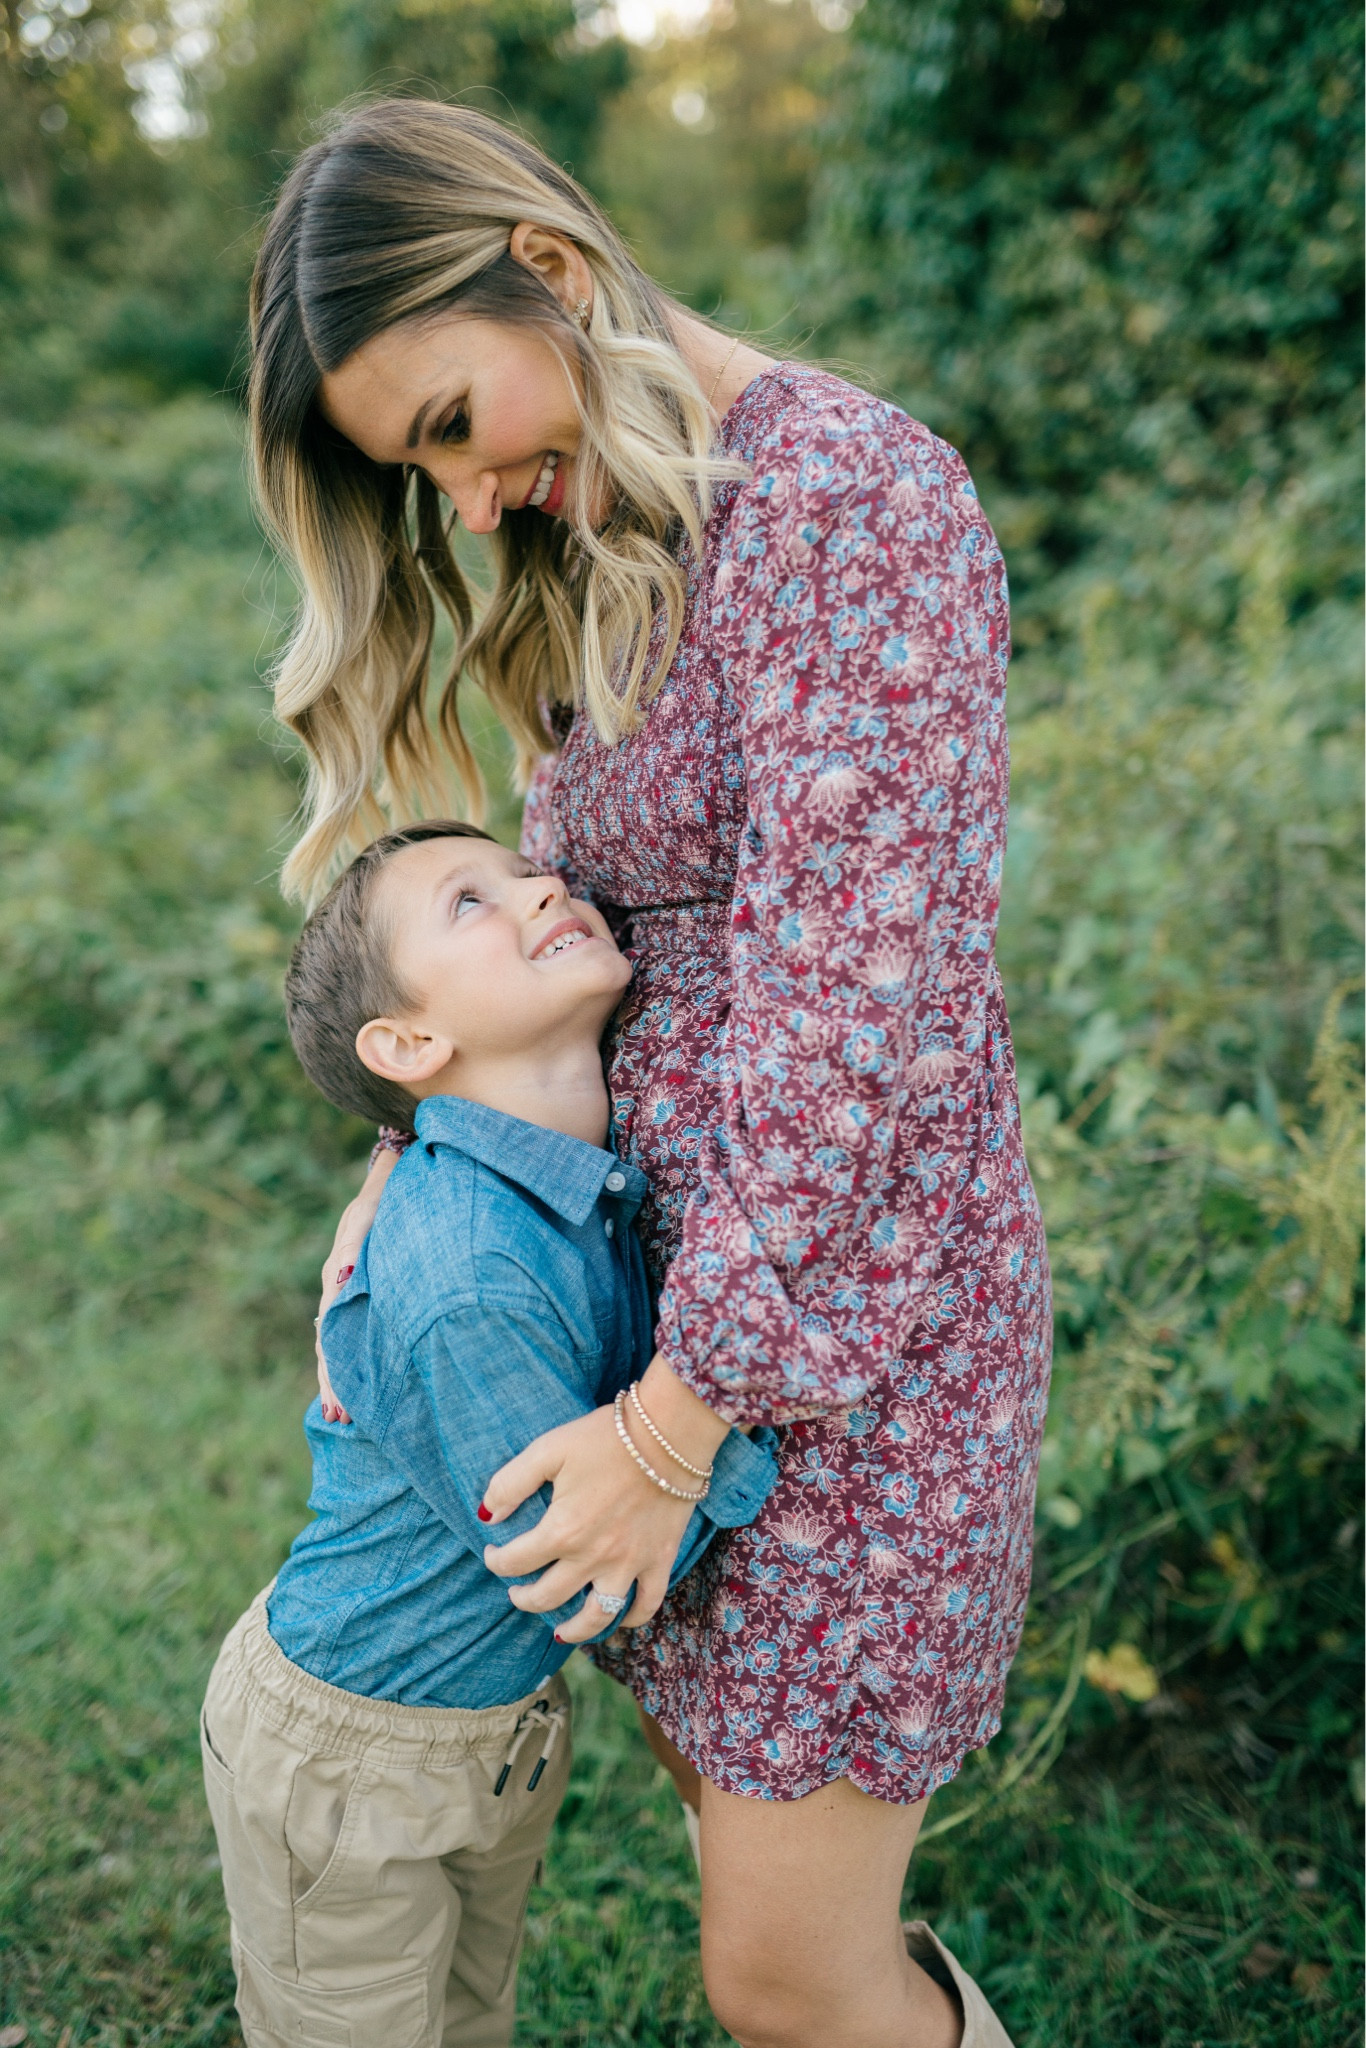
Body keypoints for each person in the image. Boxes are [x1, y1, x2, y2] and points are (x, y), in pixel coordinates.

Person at [250, 96, 1049, 2048]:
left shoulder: (846, 506)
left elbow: (856, 1038)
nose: (461, 498)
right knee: (738, 1838)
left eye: (447, 425)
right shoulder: (607, 535)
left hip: (836, 1353)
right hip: (659, 1328)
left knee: (778, 1973)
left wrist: (674, 1429)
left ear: (545, 264)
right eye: (412, 470)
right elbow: (565, 917)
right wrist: (415, 1178)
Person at [199, 818, 778, 2048]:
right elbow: (576, 1569)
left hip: (482, 1733)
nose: (538, 887)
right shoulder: (470, 1272)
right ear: (409, 1042)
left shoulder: (563, 1179)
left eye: (524, 870)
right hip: (353, 1747)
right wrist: (748, 1403)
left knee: (465, 2019)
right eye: (471, 900)